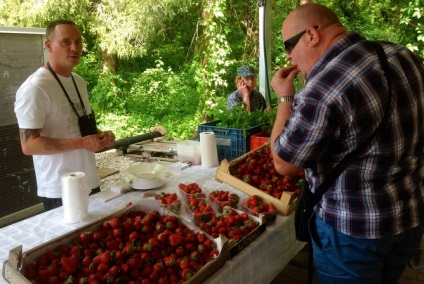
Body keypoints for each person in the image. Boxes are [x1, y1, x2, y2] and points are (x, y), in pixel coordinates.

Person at [270, 3, 423, 283]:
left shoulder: (321, 89)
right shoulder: (402, 55)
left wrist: (284, 98)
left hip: (352, 232)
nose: (290, 58)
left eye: (288, 47)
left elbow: (284, 164)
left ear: (312, 35)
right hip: (409, 215)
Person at [14, 20, 116, 211]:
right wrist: (82, 143)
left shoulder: (78, 81)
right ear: (49, 45)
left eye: (78, 42)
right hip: (60, 189)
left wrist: (101, 136)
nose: (74, 48)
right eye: (66, 42)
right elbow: (29, 145)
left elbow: (77, 124)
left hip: (89, 180)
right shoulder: (35, 87)